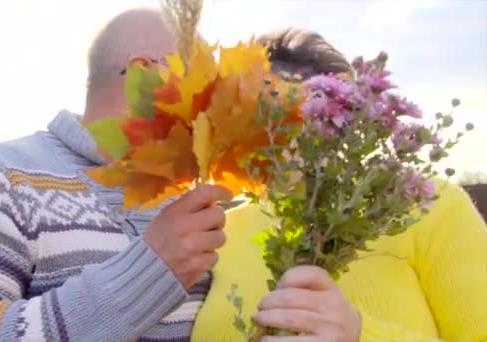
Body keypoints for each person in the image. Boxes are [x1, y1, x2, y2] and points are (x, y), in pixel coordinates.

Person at [0, 8, 233, 342]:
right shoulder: (3, 175)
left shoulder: (193, 200)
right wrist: (148, 274)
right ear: (144, 74)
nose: (214, 99)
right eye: (203, 78)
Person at [191, 28, 487, 341]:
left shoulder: (425, 205)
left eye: (308, 107)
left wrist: (360, 335)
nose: (291, 127)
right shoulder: (217, 232)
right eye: (264, 109)